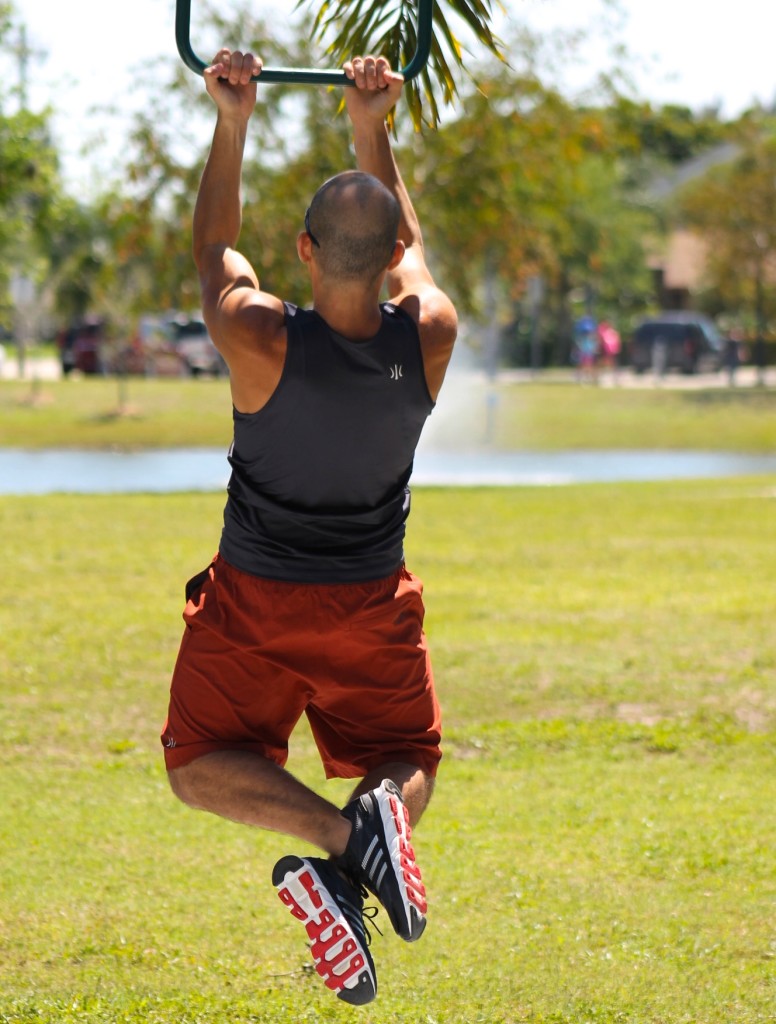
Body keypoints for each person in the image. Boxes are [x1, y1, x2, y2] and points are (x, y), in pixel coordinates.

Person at [160, 50, 458, 1006]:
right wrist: (373, 124)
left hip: (255, 601)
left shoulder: (259, 335)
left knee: (199, 768)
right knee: (409, 763)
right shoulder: (432, 335)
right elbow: (406, 248)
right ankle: (374, 829)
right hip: (371, 601)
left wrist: (233, 119)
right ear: (389, 262)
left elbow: (213, 246)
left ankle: (340, 849)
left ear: (305, 251)